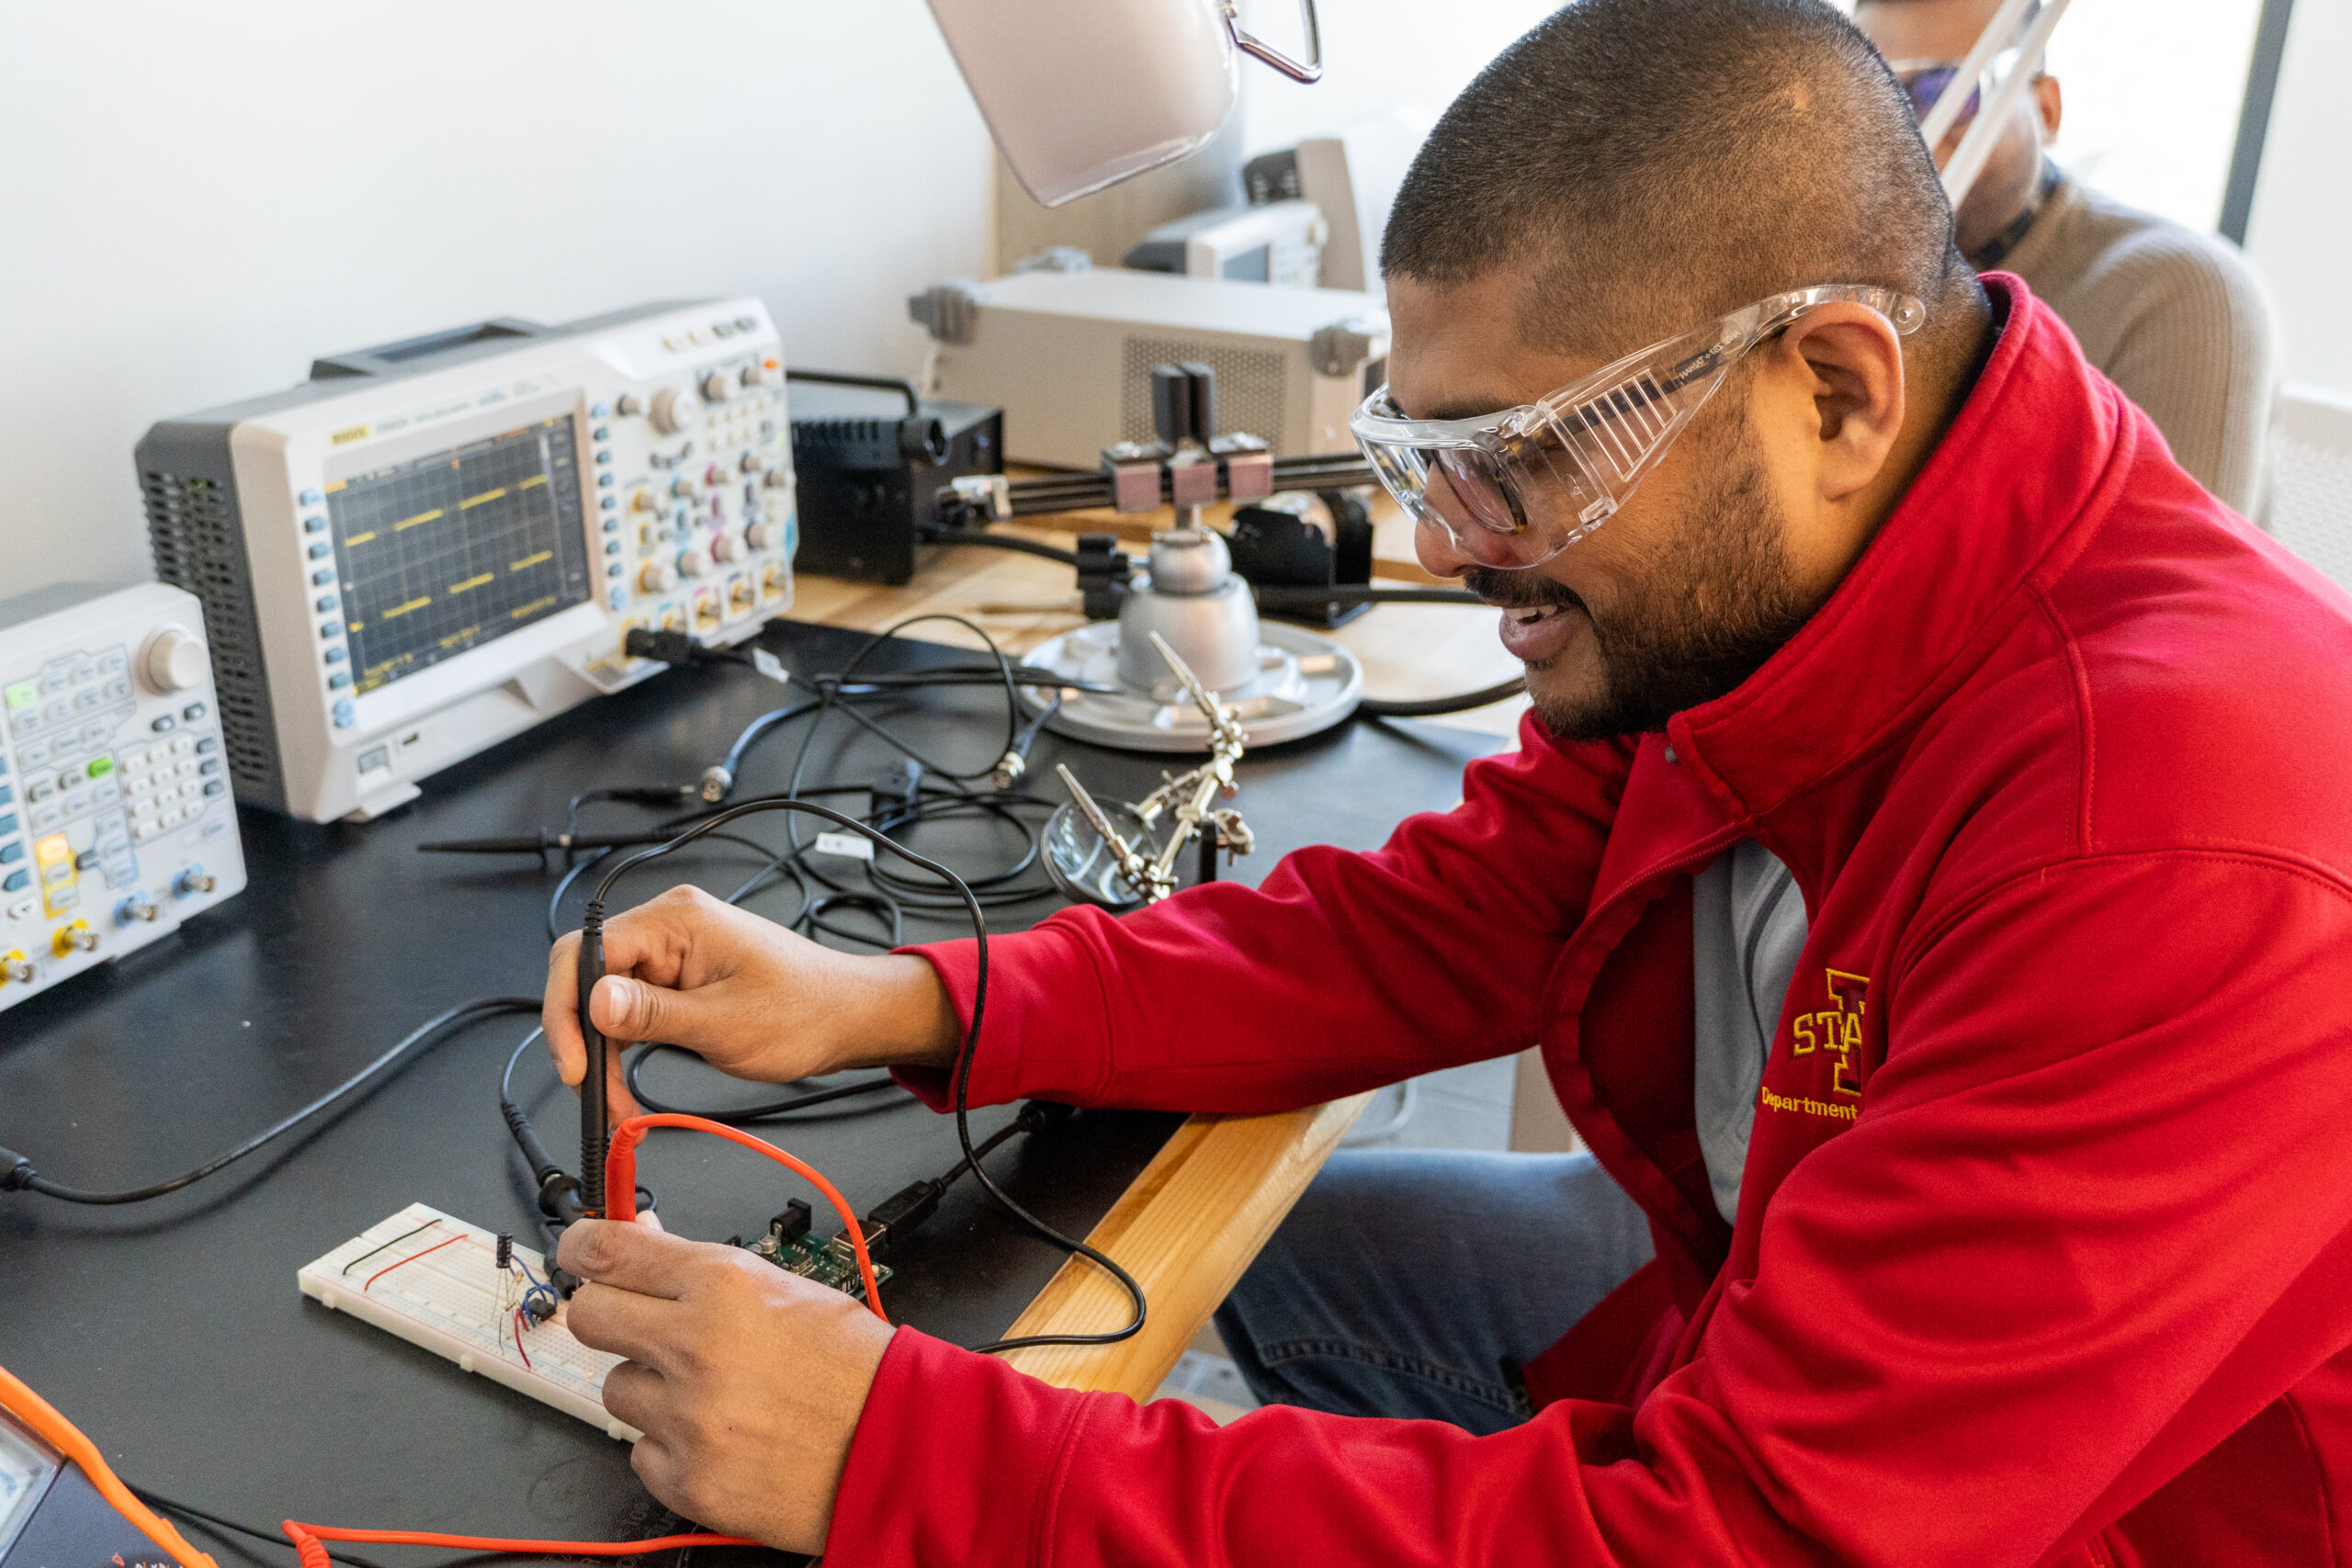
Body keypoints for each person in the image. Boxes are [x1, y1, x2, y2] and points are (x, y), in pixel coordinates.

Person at [540, 1, 2352, 1562]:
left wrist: (898, 1455)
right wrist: (913, 997)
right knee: (1213, 1258)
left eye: (1519, 459)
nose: (1440, 544)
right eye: (1427, 453)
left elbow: (1745, 1538)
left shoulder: (2180, 846)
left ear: (1829, 390)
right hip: (1744, 1315)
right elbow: (1444, 920)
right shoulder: (1788, 583)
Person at [1855, 0, 2280, 520]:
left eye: (1947, 92)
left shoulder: (2185, 296)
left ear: (2047, 108)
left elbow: (2168, 589)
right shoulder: (1855, 290)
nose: (1908, 133)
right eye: (1873, 99)